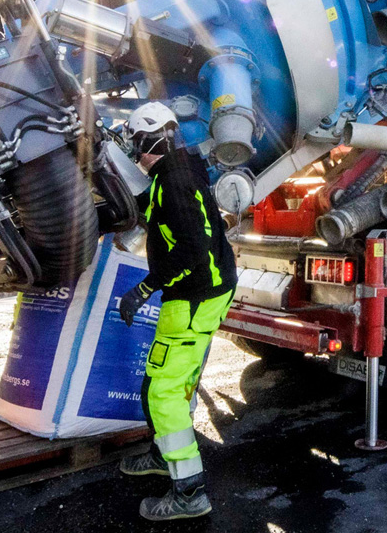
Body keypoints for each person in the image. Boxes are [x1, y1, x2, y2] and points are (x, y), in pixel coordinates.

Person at [116, 102, 237, 522]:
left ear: (154, 140)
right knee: (167, 378)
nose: (135, 153)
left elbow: (191, 249)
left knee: (162, 391)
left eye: (137, 144)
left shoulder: (175, 183)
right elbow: (166, 216)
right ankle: (159, 452)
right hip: (199, 291)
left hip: (195, 296)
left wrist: (143, 289)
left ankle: (189, 492)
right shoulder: (179, 170)